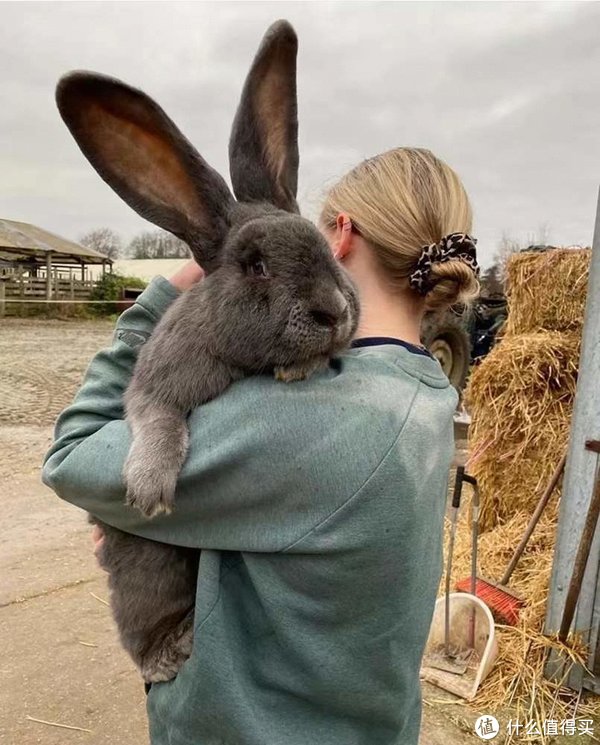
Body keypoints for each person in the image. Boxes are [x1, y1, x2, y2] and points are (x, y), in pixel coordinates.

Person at [42, 147, 479, 745]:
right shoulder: (428, 391)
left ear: (340, 236)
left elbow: (75, 458)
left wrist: (164, 299)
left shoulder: (312, 413)